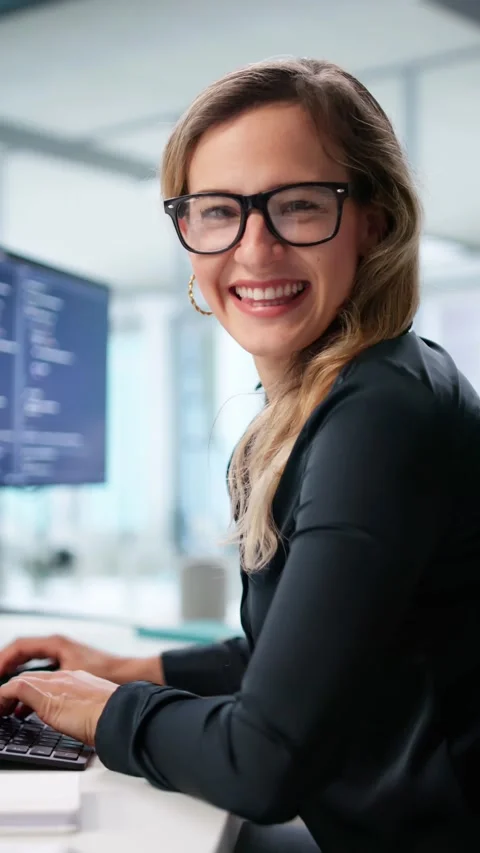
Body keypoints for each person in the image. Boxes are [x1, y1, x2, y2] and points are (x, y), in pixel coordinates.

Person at [0, 57, 479, 853]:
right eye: (219, 211)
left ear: (375, 222)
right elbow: (307, 649)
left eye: (297, 205)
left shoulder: (381, 415)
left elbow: (264, 761)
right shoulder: (342, 393)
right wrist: (125, 664)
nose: (254, 250)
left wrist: (103, 708)